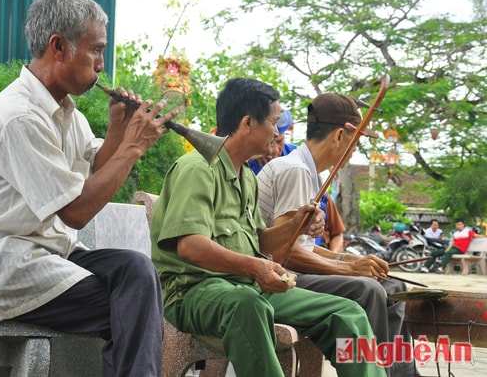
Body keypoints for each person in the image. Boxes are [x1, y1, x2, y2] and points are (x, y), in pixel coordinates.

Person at [0, 0, 176, 375]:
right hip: (6, 271)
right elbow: (75, 212)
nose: (102, 65)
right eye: (96, 51)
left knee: (136, 271)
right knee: (136, 304)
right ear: (58, 46)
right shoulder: (18, 116)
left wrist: (119, 130)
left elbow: (93, 178)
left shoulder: (69, 113)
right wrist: (133, 147)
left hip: (51, 258)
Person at [151, 78, 385, 377]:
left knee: (347, 312)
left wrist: (296, 225)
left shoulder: (246, 176)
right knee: (247, 304)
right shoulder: (196, 169)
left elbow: (258, 242)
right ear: (248, 122)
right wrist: (255, 268)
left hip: (246, 287)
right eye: (273, 122)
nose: (277, 133)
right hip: (194, 292)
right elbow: (190, 246)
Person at [256, 93, 415, 376]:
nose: (355, 151)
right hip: (274, 275)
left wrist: (345, 258)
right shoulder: (295, 170)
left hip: (290, 266)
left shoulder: (310, 172)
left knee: (394, 288)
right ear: (341, 135)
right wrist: (349, 268)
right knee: (368, 289)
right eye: (356, 142)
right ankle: (373, 371)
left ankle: (399, 372)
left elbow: (303, 245)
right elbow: (284, 253)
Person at [248, 111, 346, 253]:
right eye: (271, 142)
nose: (274, 150)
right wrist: (344, 266)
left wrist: (339, 258)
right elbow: (284, 250)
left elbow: (335, 231)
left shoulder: (302, 161)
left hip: (313, 249)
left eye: (279, 142)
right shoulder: (293, 168)